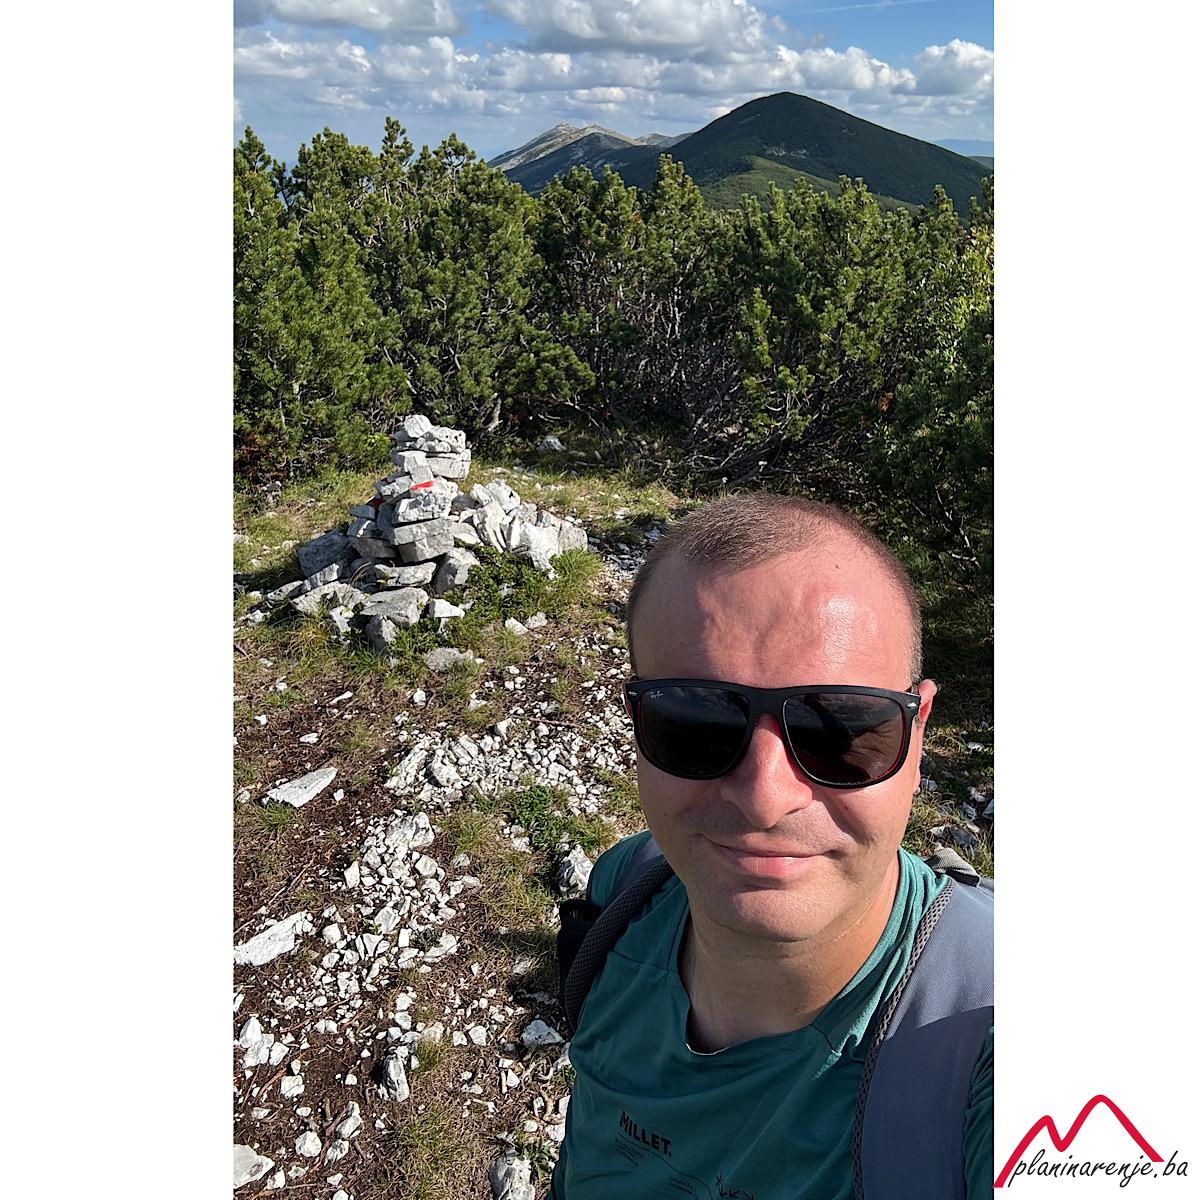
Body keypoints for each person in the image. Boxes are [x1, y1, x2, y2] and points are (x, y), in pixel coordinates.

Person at [549, 494, 993, 1199]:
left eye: (839, 729)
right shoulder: (623, 896)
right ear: (635, 721)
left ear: (918, 737)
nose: (764, 797)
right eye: (694, 720)